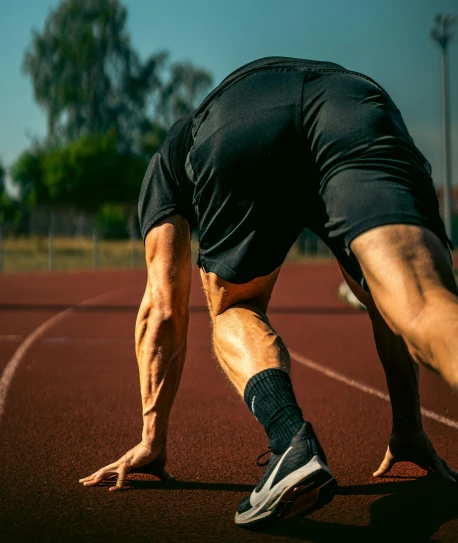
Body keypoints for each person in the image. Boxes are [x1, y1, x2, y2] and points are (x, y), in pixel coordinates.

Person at [80, 56, 458, 527]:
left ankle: (289, 442)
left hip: (239, 127)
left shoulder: (168, 159)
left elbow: (162, 309)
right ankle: (404, 423)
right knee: (415, 299)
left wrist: (152, 438)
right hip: (355, 105)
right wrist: (408, 426)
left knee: (234, 305)